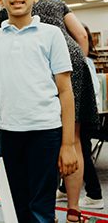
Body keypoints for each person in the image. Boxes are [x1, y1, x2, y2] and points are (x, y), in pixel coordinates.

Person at [0, 0, 100, 223]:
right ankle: (73, 210)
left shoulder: (8, 5)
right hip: (70, 62)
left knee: (49, 137)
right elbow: (81, 36)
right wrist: (77, 63)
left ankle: (45, 203)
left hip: (43, 68)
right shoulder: (57, 1)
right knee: (72, 140)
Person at [0, 0, 78, 222]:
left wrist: (68, 144)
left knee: (41, 207)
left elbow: (66, 92)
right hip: (9, 133)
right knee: (16, 205)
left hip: (45, 132)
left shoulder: (51, 35)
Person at [57, 24, 104, 210]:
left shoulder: (79, 60)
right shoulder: (85, 60)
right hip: (84, 113)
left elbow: (88, 90)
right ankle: (64, 189)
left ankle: (95, 194)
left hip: (82, 114)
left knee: (80, 151)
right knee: (75, 150)